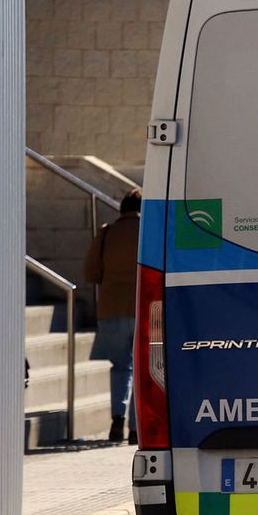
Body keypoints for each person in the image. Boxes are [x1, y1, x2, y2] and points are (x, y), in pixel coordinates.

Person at [83, 189, 140, 443]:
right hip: (143, 310)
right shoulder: (149, 231)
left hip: (111, 309)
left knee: (120, 367)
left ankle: (117, 419)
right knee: (142, 370)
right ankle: (137, 428)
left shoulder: (107, 233)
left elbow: (91, 273)